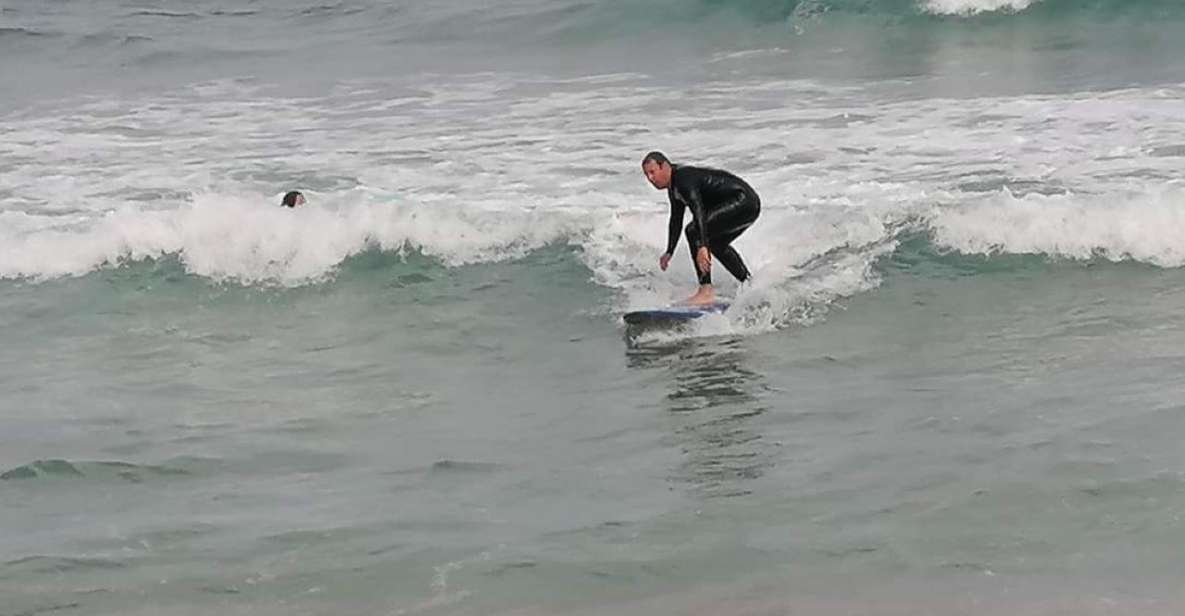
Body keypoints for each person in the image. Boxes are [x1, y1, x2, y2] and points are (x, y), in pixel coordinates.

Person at [641, 151, 761, 306]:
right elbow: (676, 219)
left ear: (664, 166)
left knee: (693, 231)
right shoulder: (674, 187)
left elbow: (698, 210)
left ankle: (706, 291)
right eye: (646, 175)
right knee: (717, 245)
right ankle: (749, 284)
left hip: (743, 201)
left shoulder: (683, 180)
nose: (650, 179)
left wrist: (703, 245)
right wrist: (669, 251)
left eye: (652, 172)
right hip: (749, 204)